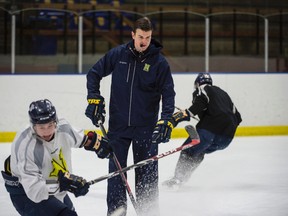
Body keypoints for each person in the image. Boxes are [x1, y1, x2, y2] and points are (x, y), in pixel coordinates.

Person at [85, 17, 175, 215]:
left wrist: (167, 118)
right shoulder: (118, 55)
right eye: (141, 36)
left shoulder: (159, 63)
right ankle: (117, 211)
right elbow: (94, 74)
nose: (144, 41)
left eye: (148, 37)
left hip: (146, 129)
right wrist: (94, 97)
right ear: (133, 35)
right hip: (118, 127)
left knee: (147, 176)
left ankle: (148, 212)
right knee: (117, 173)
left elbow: (168, 94)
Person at [1, 99, 113, 216]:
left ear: (56, 121)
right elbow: (34, 190)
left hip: (51, 184)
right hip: (25, 191)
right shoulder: (26, 146)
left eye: (50, 125)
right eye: (42, 127)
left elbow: (83, 139)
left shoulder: (62, 127)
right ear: (33, 126)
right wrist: (64, 184)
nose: (47, 131)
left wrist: (96, 143)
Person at [162, 72, 242, 188]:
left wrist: (175, 119)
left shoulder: (201, 90)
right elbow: (237, 118)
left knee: (187, 151)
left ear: (197, 83)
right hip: (226, 139)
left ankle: (178, 180)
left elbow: (196, 107)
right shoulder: (224, 94)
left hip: (208, 133)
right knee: (199, 151)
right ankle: (183, 179)